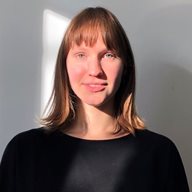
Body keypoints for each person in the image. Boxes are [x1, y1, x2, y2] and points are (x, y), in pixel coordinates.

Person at [0, 7, 189, 192]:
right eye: (81, 55)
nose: (95, 70)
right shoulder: (23, 152)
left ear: (126, 67)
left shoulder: (160, 154)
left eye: (108, 55)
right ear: (64, 66)